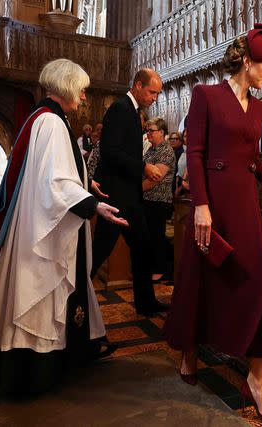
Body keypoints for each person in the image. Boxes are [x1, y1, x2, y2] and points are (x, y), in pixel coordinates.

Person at [164, 23, 262, 425]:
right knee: (200, 277)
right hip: (211, 201)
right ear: (246, 61)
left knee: (258, 282)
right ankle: (190, 351)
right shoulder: (206, 96)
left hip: (244, 203)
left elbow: (253, 162)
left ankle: (257, 378)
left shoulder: (260, 107)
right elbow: (194, 154)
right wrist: (200, 205)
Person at [0, 58, 127, 393]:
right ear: (66, 86)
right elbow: (54, 182)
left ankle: (75, 351)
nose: (85, 97)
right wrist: (95, 206)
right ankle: (34, 371)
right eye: (82, 90)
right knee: (42, 291)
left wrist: (86, 184)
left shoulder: (47, 117)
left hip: (42, 217)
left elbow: (52, 172)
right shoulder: (51, 122)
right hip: (42, 227)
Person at [90, 68, 169, 316]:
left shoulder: (135, 112)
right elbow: (111, 153)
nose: (155, 97)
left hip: (131, 196)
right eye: (152, 92)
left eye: (157, 93)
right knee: (99, 251)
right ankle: (72, 301)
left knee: (143, 248)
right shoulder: (120, 108)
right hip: (116, 195)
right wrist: (144, 167)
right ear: (137, 85)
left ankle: (146, 303)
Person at [142, 118, 175, 281]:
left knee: (157, 235)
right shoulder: (151, 150)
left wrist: (135, 190)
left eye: (151, 130)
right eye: (147, 130)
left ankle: (161, 269)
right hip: (148, 199)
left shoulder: (166, 151)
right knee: (149, 235)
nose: (148, 133)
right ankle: (152, 266)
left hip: (159, 199)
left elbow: (154, 178)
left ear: (161, 132)